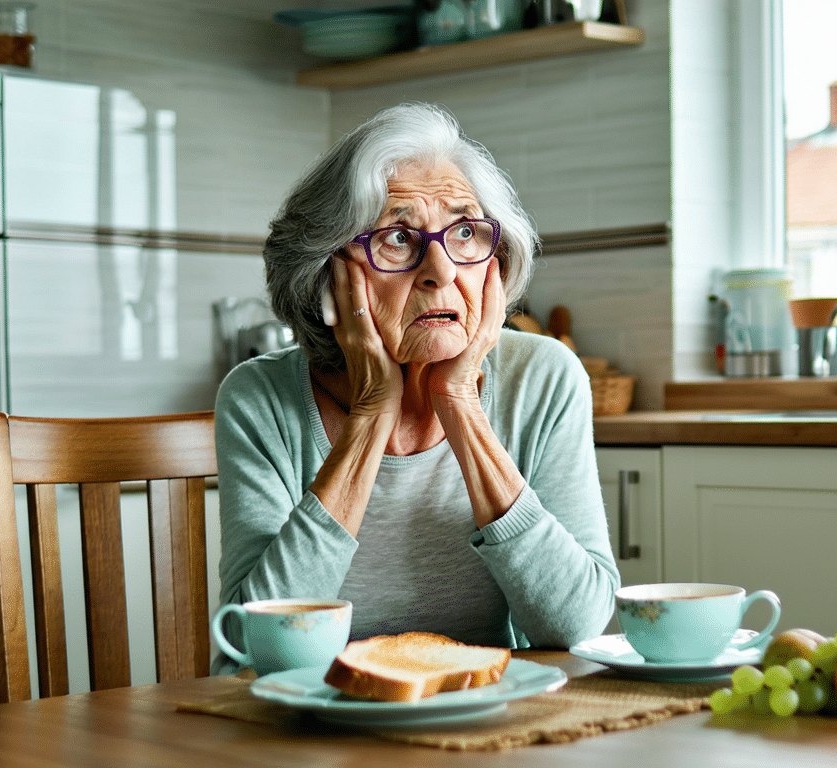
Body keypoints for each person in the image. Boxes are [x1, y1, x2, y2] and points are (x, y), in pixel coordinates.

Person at [213, 103, 619, 673]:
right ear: (327, 274)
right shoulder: (259, 399)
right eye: (398, 239)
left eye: (467, 232)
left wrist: (460, 404)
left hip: (480, 728)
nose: (442, 271)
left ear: (495, 265)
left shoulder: (544, 378)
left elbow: (575, 624)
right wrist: (372, 414)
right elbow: (264, 649)